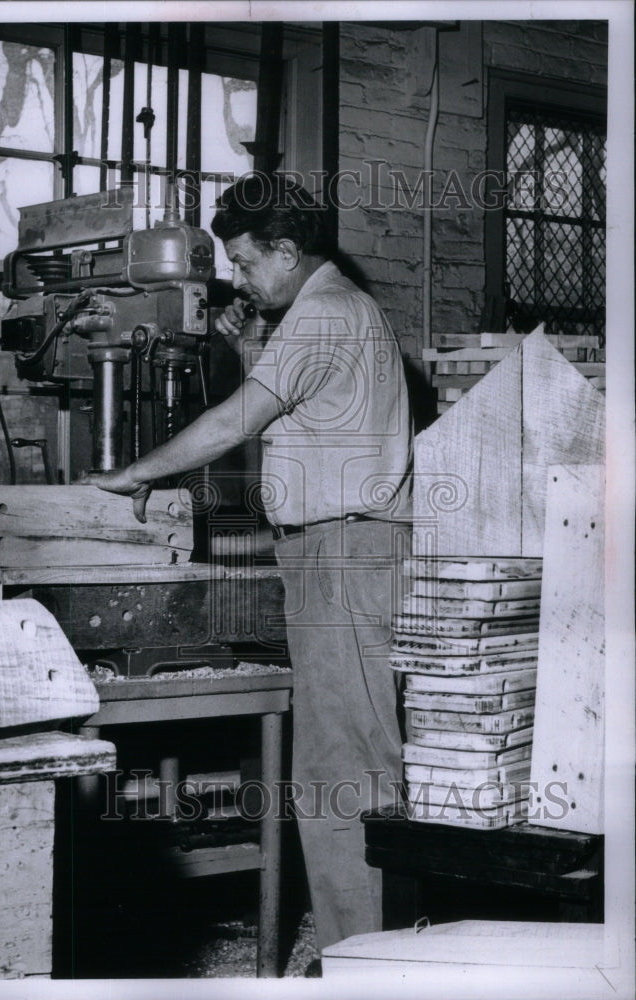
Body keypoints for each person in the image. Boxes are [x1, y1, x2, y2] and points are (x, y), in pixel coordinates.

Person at [85, 173, 414, 954]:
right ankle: (366, 948)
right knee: (337, 760)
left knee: (347, 766)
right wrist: (245, 348)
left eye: (243, 261)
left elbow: (237, 418)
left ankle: (365, 959)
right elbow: (305, 406)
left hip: (345, 548)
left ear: (286, 250)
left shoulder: (326, 312)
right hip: (336, 547)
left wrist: (138, 472)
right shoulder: (330, 310)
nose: (237, 277)